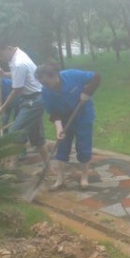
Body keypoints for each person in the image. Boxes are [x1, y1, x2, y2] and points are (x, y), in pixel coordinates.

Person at [35, 62, 101, 190]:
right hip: (64, 118)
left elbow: (96, 77)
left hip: (83, 115)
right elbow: (53, 112)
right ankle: (60, 179)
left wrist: (87, 93)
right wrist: (59, 128)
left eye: (47, 82)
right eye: (42, 84)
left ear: (55, 75)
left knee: (83, 147)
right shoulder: (46, 92)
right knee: (62, 147)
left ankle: (84, 177)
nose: (46, 86)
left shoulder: (72, 75)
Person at [0, 43, 49, 171]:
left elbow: (17, 89)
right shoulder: (17, 55)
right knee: (37, 138)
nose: (1, 58)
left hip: (33, 101)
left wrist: (3, 106)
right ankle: (49, 168)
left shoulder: (19, 62)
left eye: (1, 55)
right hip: (33, 98)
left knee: (14, 132)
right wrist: (4, 74)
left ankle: (13, 165)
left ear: (8, 48)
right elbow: (20, 76)